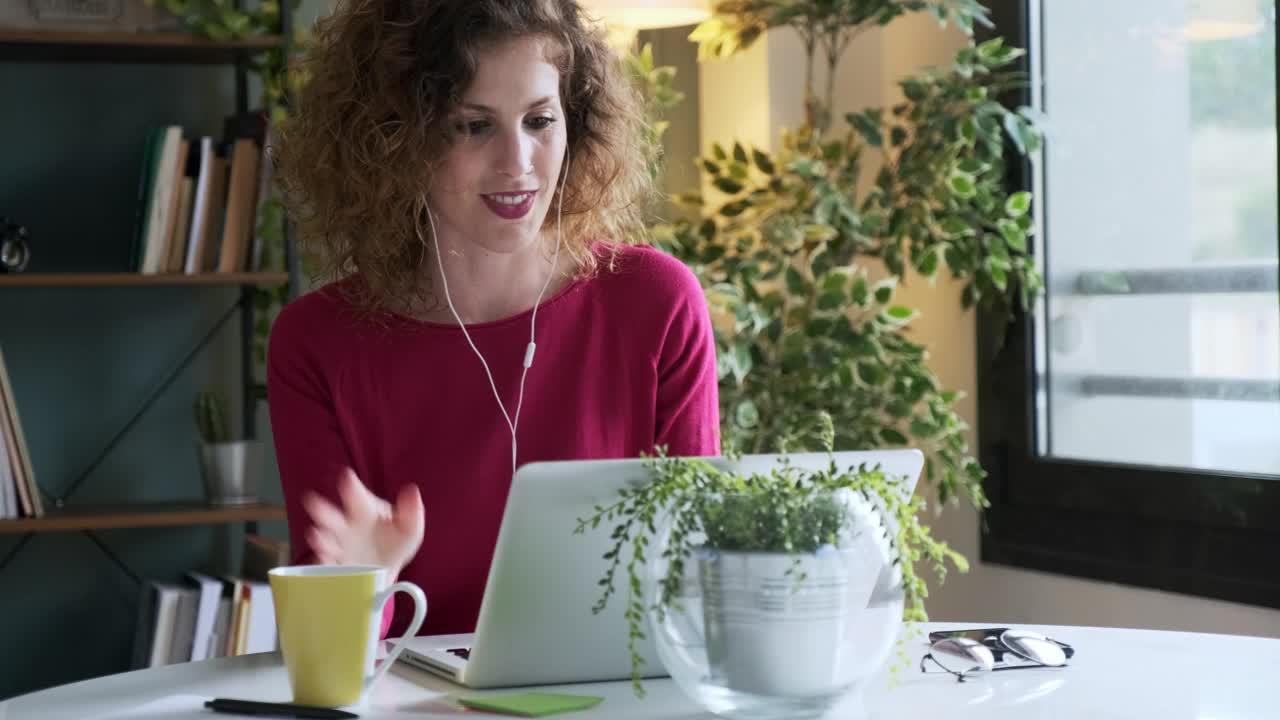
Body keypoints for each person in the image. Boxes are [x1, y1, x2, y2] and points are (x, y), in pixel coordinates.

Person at [266, 0, 721, 641]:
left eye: (540, 120)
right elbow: (331, 661)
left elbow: (696, 592)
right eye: (472, 127)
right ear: (397, 140)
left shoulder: (656, 303)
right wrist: (364, 587)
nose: (518, 162)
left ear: (577, 123)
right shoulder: (317, 344)